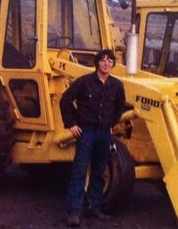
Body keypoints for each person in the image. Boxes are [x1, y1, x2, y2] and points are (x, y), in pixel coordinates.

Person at [60, 49, 126, 227]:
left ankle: (94, 208)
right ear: (97, 63)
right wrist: (71, 124)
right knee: (80, 171)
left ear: (113, 64)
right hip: (86, 132)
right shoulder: (84, 82)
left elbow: (119, 107)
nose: (106, 63)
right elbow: (65, 100)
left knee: (98, 172)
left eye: (110, 60)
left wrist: (111, 124)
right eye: (103, 60)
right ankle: (73, 212)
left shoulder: (117, 86)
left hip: (104, 134)